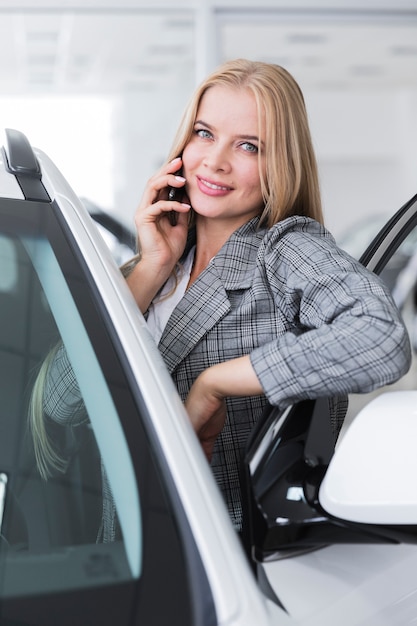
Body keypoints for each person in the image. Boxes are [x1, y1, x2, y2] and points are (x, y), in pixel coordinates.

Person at [31, 58, 411, 534]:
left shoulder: (287, 248)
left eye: (248, 145)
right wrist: (151, 269)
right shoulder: (153, 266)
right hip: (135, 555)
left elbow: (380, 339)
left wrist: (214, 383)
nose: (214, 161)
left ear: (281, 163)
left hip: (229, 563)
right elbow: (62, 404)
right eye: (204, 134)